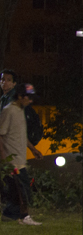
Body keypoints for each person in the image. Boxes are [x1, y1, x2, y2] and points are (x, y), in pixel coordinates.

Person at [0, 83, 44, 225]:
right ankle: (24, 216)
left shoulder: (20, 111)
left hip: (20, 158)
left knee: (17, 188)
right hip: (11, 159)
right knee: (22, 188)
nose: (30, 101)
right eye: (28, 98)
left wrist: (33, 149)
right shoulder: (9, 111)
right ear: (20, 96)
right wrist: (4, 158)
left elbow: (21, 135)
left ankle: (9, 214)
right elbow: (1, 134)